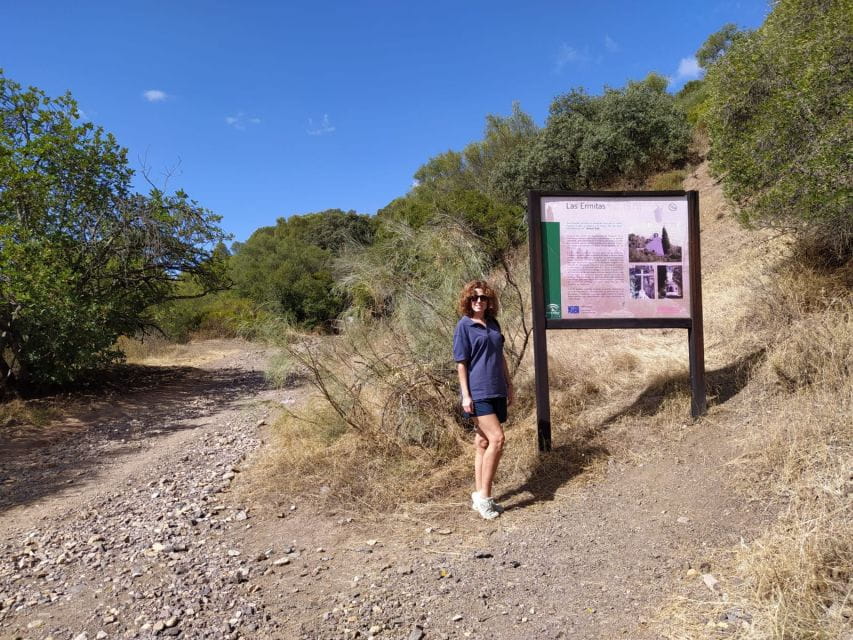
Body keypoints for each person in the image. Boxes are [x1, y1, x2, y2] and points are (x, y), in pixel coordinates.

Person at [452, 280, 514, 520]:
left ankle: (478, 496)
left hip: (497, 388)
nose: (479, 301)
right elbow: (461, 364)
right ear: (468, 301)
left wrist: (509, 384)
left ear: (489, 302)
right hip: (478, 392)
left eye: (483, 298)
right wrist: (466, 395)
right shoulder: (464, 326)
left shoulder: (493, 324)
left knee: (483, 443)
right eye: (474, 298)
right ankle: (487, 499)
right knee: (497, 439)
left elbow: (501, 357)